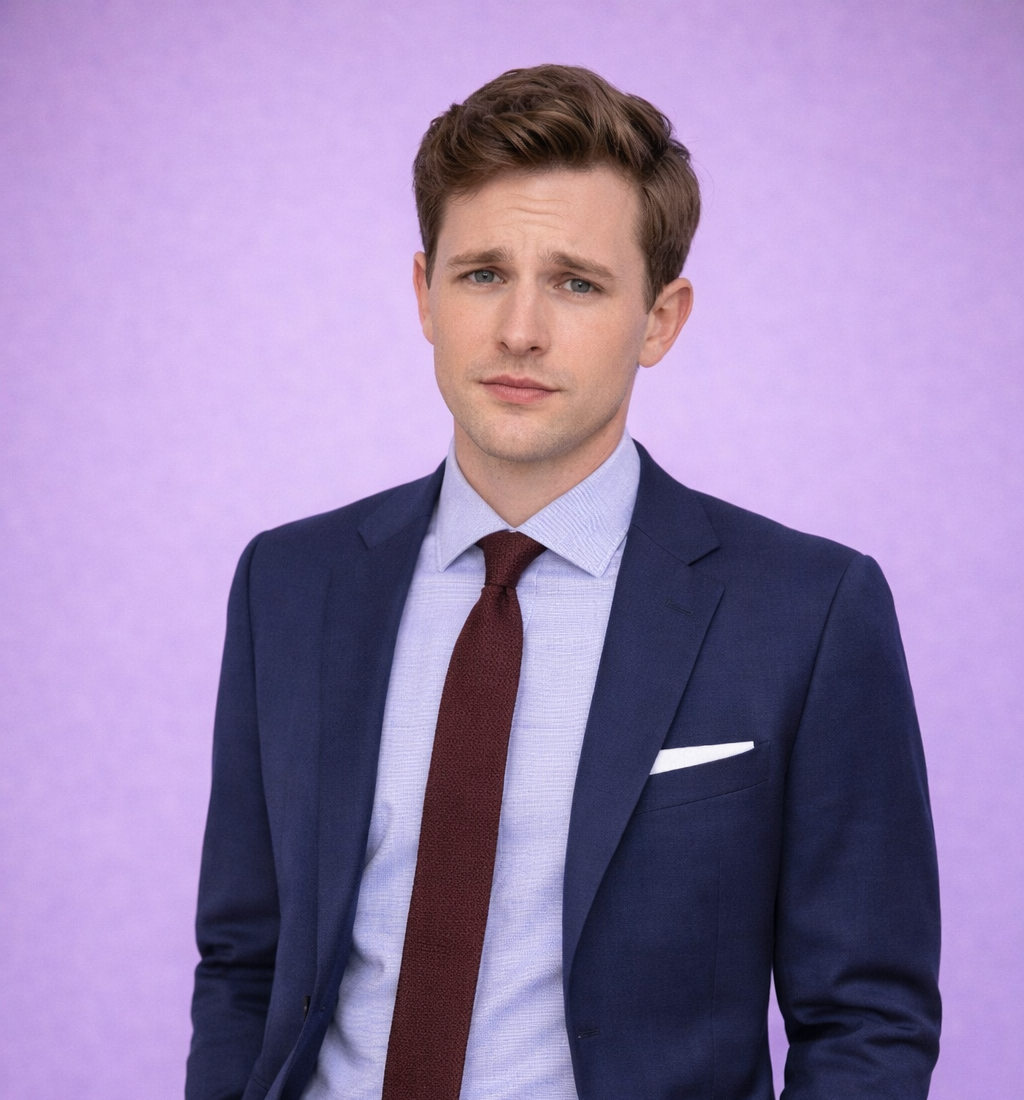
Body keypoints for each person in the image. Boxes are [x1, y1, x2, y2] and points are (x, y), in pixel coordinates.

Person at [185, 65, 941, 1100]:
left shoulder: (806, 611)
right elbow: (243, 961)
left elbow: (865, 1015)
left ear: (660, 318)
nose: (519, 330)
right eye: (482, 273)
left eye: (577, 282)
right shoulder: (290, 581)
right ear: (423, 293)